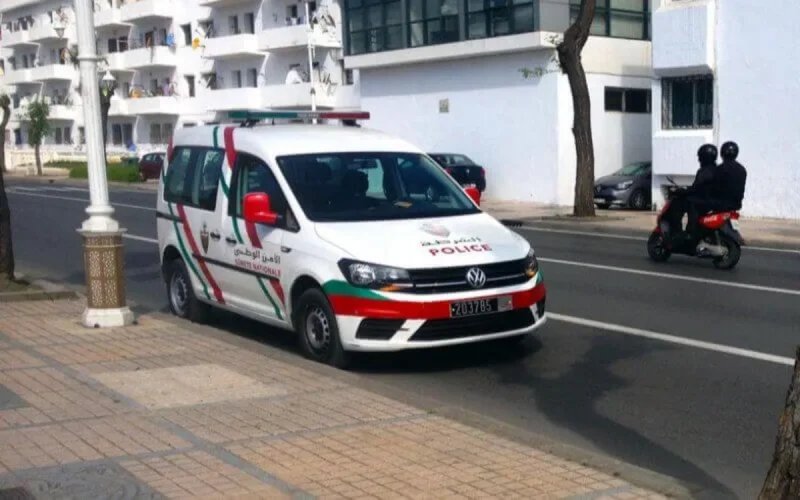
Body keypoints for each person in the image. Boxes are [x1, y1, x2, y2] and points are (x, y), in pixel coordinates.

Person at [683, 143, 720, 236]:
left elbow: (695, 188)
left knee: (691, 203)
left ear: (704, 158)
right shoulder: (718, 169)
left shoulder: (704, 171)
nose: (699, 160)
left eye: (700, 157)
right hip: (716, 201)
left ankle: (691, 231)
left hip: (706, 201)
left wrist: (681, 191)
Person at [715, 141, 747, 211]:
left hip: (719, 205)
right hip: (736, 205)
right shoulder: (742, 169)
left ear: (722, 153)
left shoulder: (719, 169)